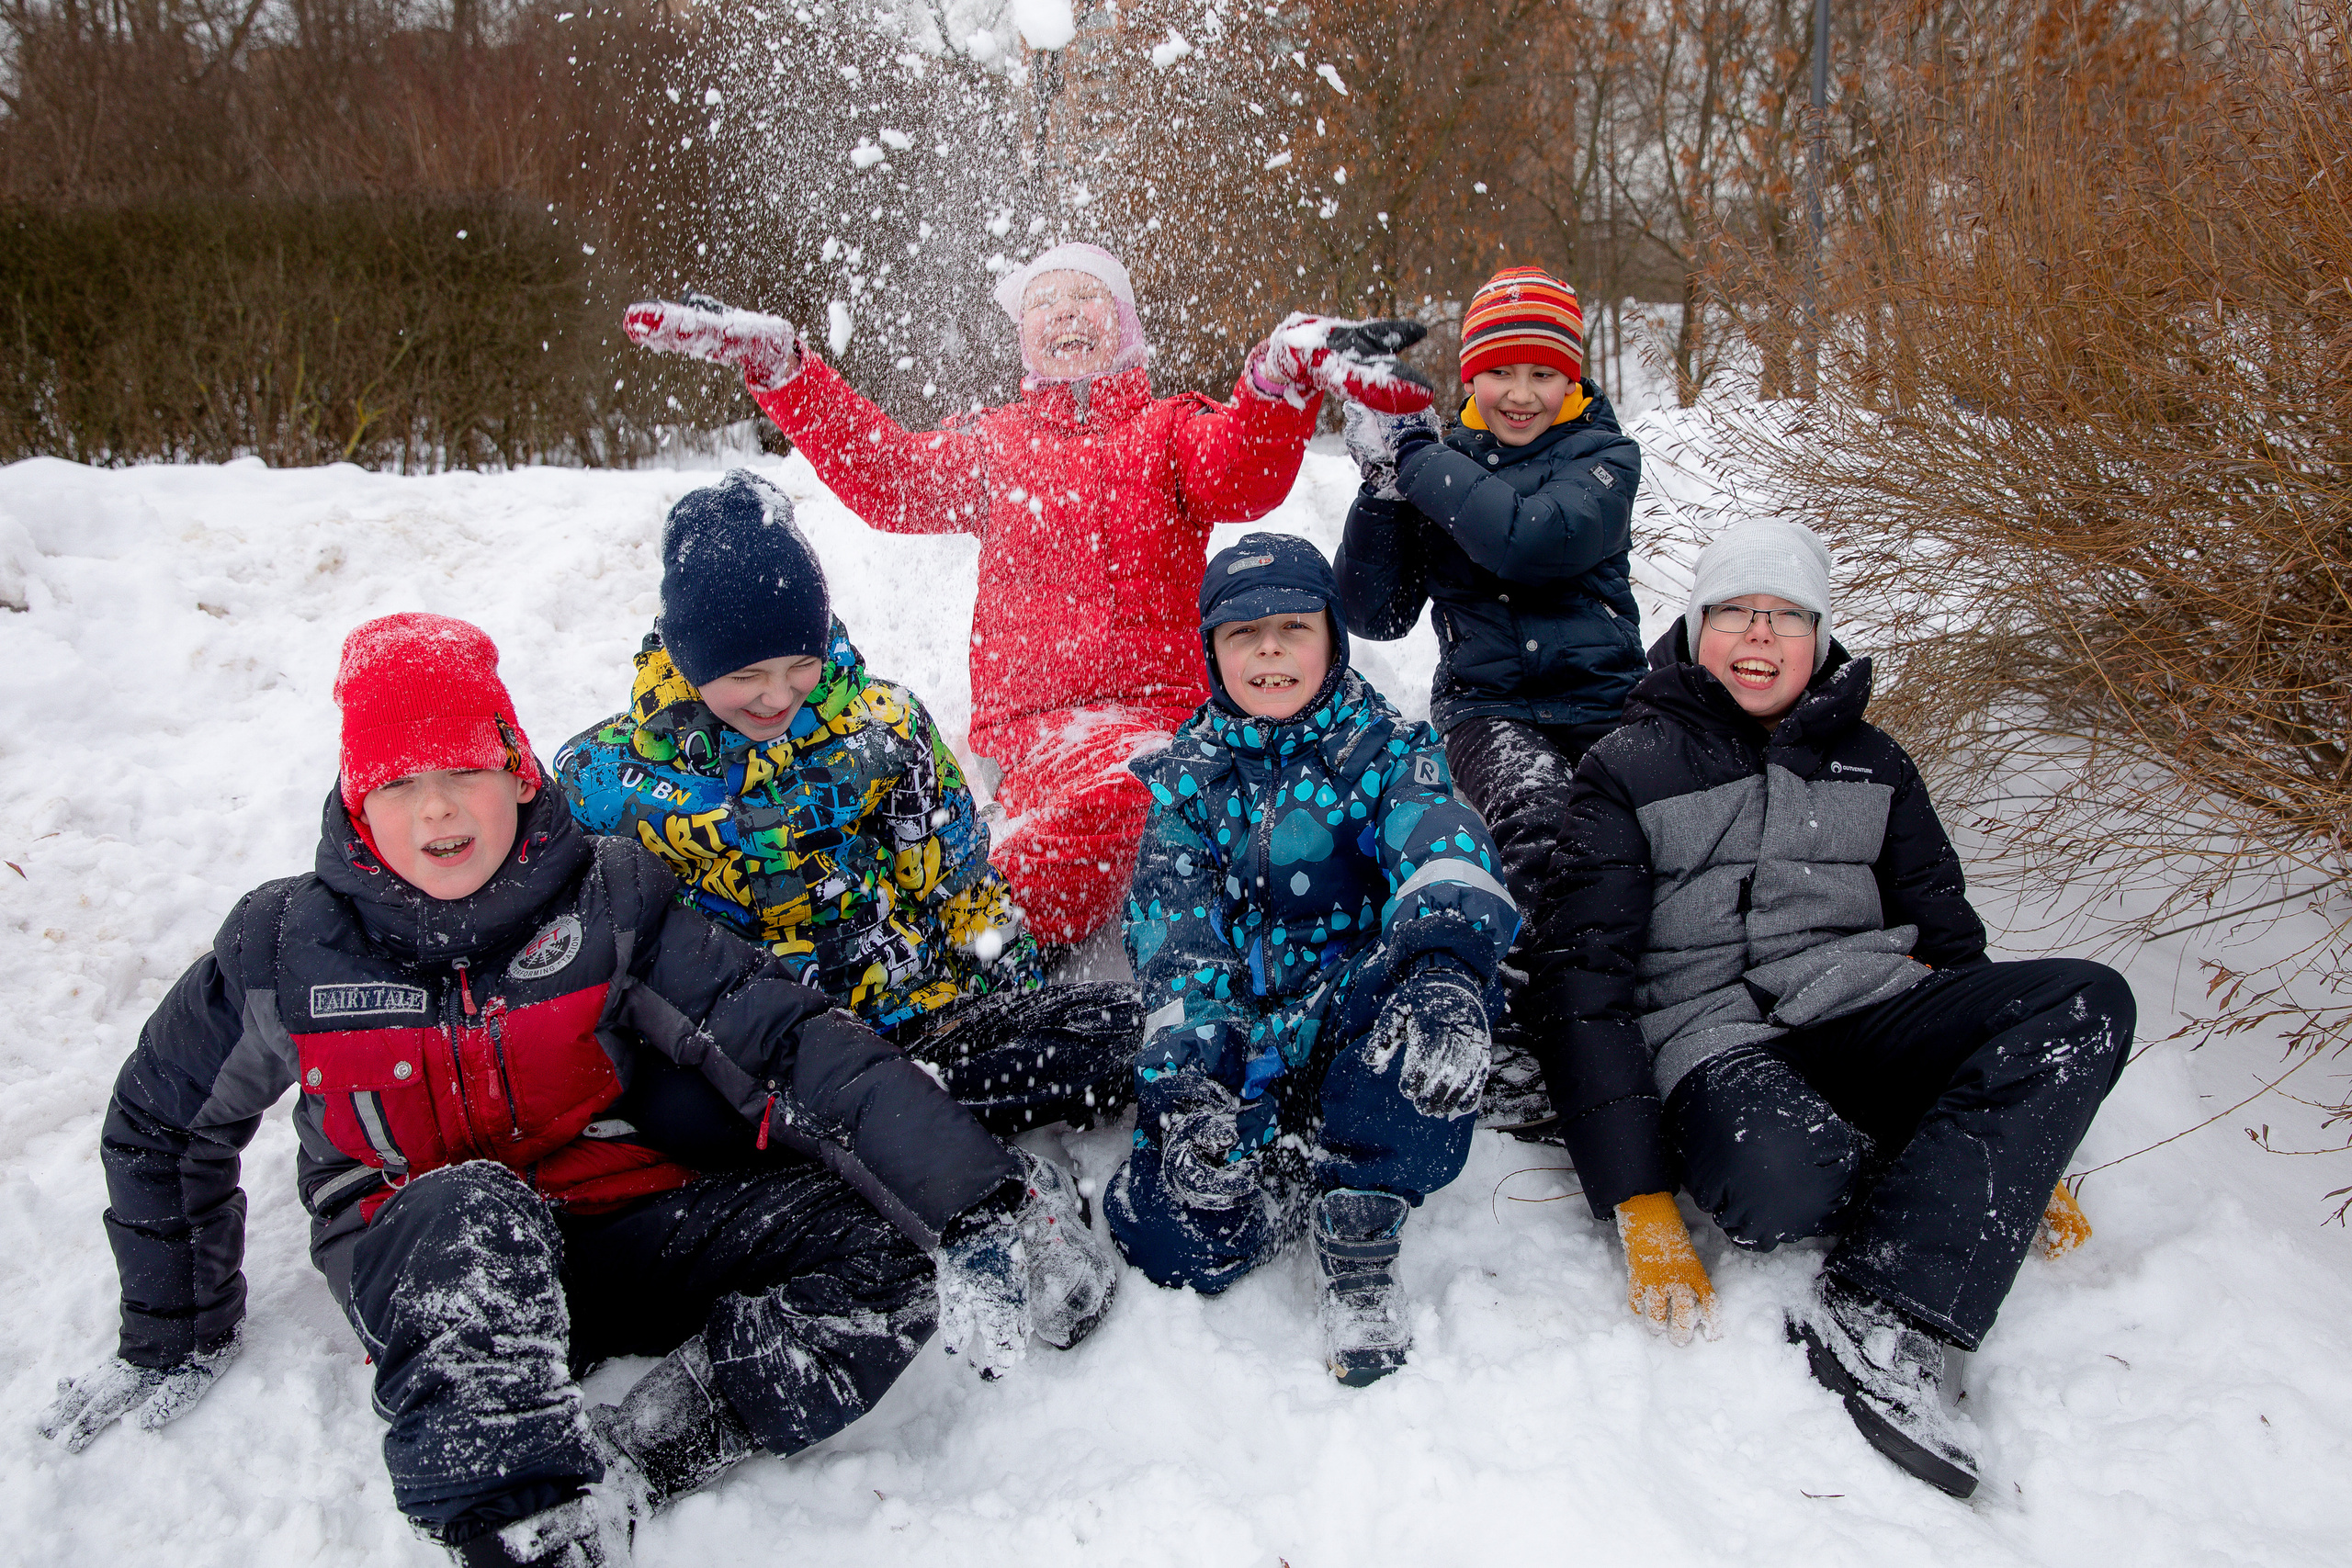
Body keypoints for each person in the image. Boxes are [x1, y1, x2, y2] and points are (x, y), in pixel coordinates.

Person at [38, 614, 1073, 1567]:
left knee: (883, 1235)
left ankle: (648, 1452)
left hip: (616, 1231)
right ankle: (522, 1527)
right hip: (439, 1279)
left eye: (462, 771)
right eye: (398, 783)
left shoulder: (609, 898)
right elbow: (163, 1124)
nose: (437, 807)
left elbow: (783, 1043)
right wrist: (175, 1332)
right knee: (467, 1201)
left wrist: (968, 1204)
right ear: (358, 800)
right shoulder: (282, 948)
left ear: (518, 773)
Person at [1527, 521, 2132, 1497]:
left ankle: (1891, 1312)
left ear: (1821, 638)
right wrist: (1638, 1198)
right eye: (1731, 611)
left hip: (1869, 1008)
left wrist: (2020, 1135)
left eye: (1785, 616)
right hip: (1711, 1038)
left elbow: (1946, 931)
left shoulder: (1875, 762)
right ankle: (1927, 1180)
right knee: (1781, 1183)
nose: (1756, 636)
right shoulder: (1626, 767)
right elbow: (1580, 984)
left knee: (2086, 1001)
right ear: (1693, 627)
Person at [621, 247, 1432, 949]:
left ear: (1123, 323)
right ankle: (974, 932)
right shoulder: (994, 447)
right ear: (1023, 336)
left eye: (1086, 297)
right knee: (1146, 791)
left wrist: (1278, 376)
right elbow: (887, 480)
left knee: (1233, 805)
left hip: (1172, 718)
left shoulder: (1169, 432)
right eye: (1044, 302)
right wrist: (785, 369)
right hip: (1042, 734)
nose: (1065, 314)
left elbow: (1246, 474)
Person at [556, 470, 1130, 1348]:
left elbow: (961, 887)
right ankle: (987, 1191)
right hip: (753, 1071)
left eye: (800, 664)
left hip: (914, 1029)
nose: (777, 696)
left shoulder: (883, 729)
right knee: (723, 1128)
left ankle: (954, 1152)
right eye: (744, 675)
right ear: (683, 655)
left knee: (1115, 1027)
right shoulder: (609, 780)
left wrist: (1004, 987)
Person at [1104, 533, 1518, 1386]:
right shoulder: (1189, 783)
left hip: (1350, 1013)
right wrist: (1188, 1092)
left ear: (1332, 635)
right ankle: (1278, 1174)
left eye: (1292, 626)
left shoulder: (1387, 752)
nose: (1268, 651)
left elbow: (1440, 849)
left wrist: (1442, 970)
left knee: (1425, 1055)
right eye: (1241, 633)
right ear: (1210, 651)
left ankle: (1361, 1210)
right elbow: (1176, 944)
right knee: (1165, 1232)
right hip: (1242, 1044)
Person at [1333, 265, 1644, 1139]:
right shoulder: (1440, 466)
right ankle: (1549, 1036)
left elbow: (1533, 540)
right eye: (1500, 371)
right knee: (1539, 823)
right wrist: (1384, 491)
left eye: (1544, 372)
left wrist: (1419, 457)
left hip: (1608, 698)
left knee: (1631, 829)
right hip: (1488, 708)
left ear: (1573, 378)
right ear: (1470, 377)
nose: (1521, 393)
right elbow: (1373, 613)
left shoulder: (1605, 456)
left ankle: (1628, 1000)